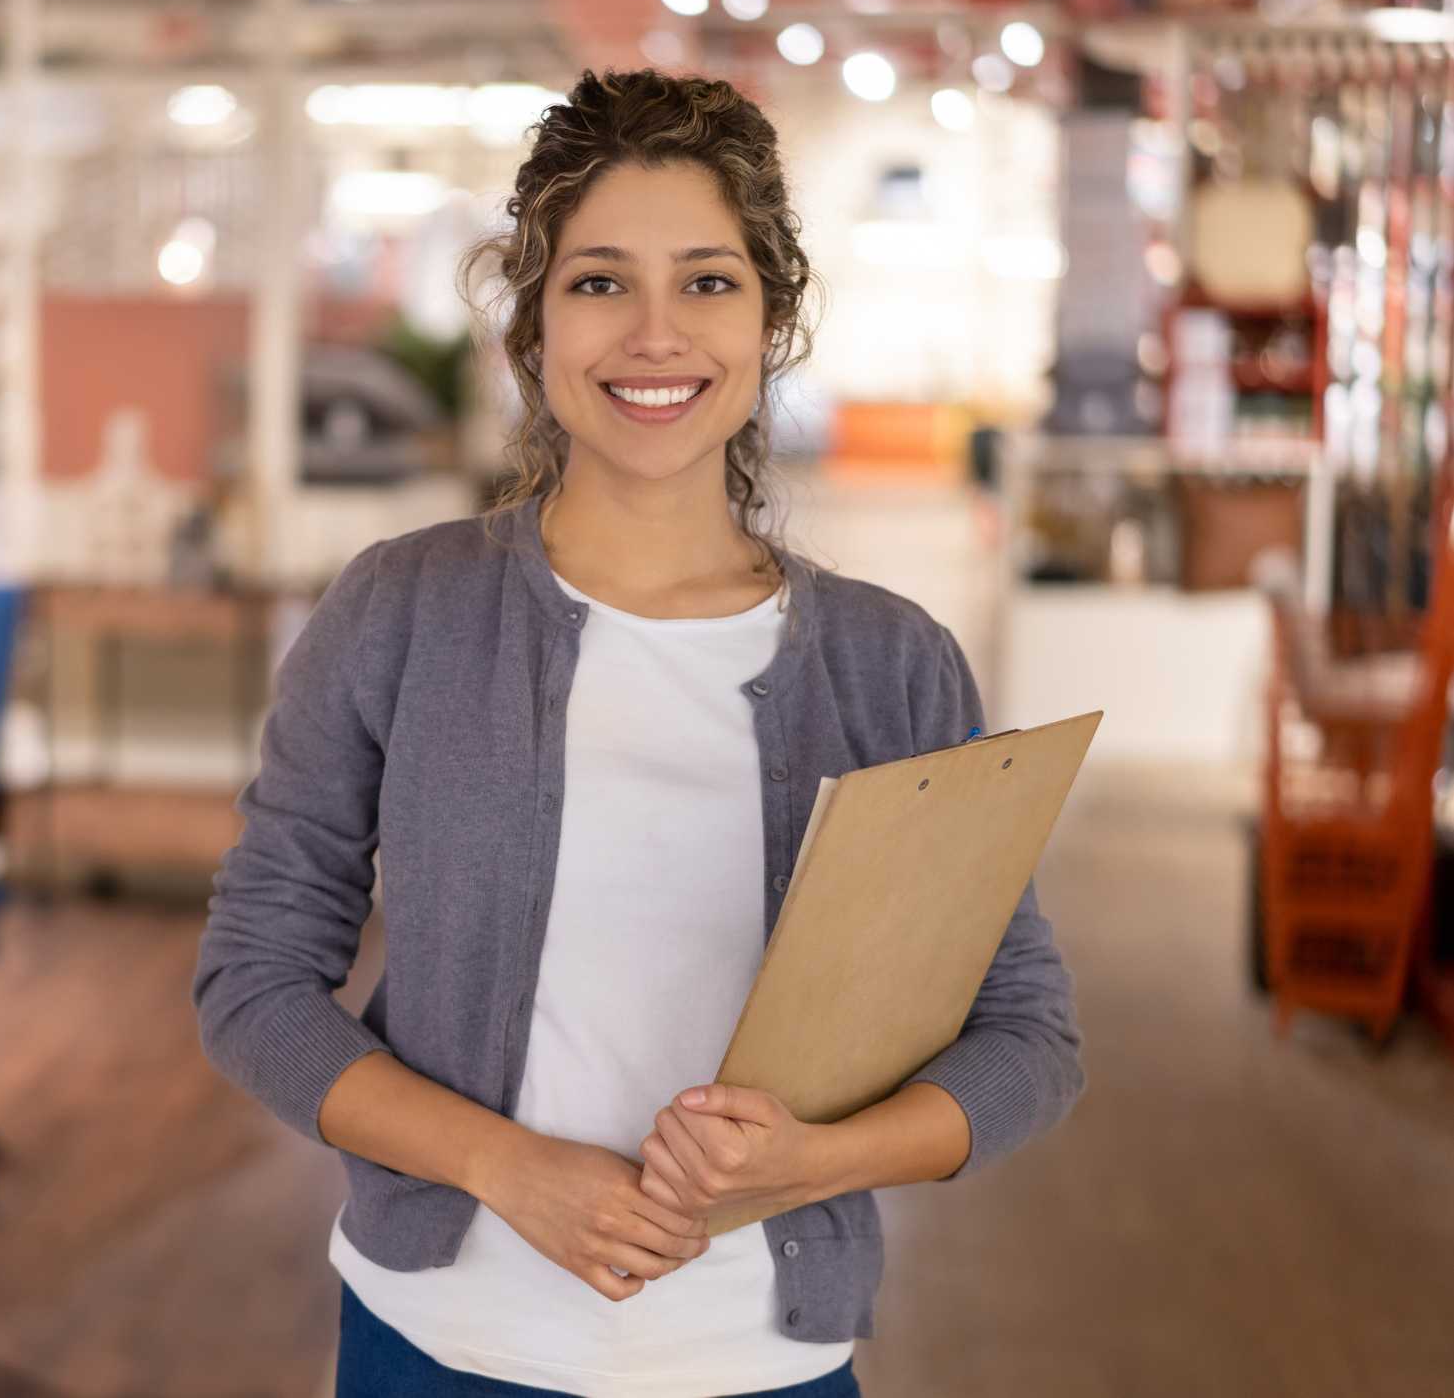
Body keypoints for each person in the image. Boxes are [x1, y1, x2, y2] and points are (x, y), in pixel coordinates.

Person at [192, 68, 1083, 1398]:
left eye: (709, 282)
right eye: (600, 281)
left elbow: (1026, 1036)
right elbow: (251, 982)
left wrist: (816, 1162)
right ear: (532, 324)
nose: (654, 335)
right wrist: (503, 1165)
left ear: (772, 318)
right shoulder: (404, 608)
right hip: (440, 1343)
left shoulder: (889, 662)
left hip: (757, 1363)